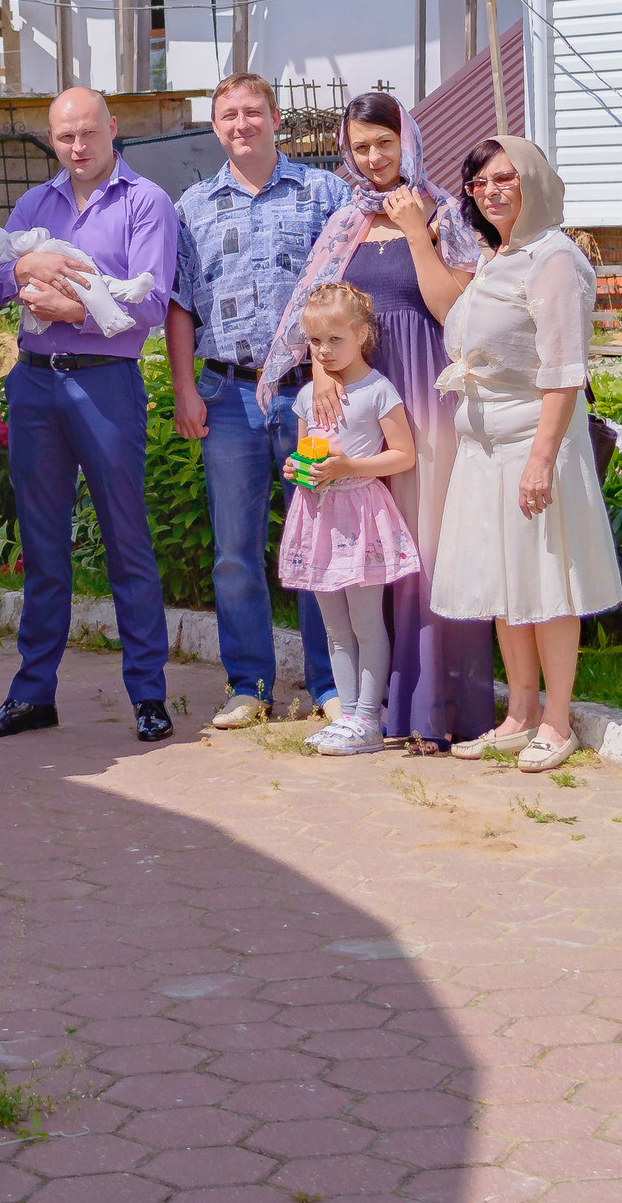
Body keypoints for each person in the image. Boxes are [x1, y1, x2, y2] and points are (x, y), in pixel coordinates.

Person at [262, 92, 490, 750]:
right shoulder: (343, 220)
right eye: (360, 147)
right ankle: (367, 707)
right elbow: (323, 312)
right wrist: (326, 375)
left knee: (421, 551)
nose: (373, 158)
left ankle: (429, 709)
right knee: (360, 554)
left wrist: (416, 229)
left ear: (407, 140)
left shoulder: (444, 212)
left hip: (421, 398)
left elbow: (453, 309)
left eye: (383, 143)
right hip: (354, 404)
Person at [0, 86, 180, 744]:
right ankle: (34, 695)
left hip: (105, 385)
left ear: (111, 127)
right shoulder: (35, 203)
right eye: (64, 137)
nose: (78, 148)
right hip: (34, 385)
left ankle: (148, 695)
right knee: (42, 545)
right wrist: (22, 266)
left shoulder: (145, 202)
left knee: (125, 541)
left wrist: (78, 314)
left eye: (88, 133)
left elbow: (152, 303)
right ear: (51, 138)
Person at [434, 136, 622, 773]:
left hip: (533, 443)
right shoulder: (500, 257)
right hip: (483, 446)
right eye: (480, 181)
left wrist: (542, 459)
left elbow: (565, 369)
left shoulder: (554, 259)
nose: (490, 191)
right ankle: (517, 715)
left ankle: (557, 720)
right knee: (502, 581)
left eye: (504, 178)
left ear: (536, 182)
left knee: (545, 585)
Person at [165, 71, 349, 727]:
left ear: (275, 119)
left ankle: (329, 684)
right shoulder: (191, 208)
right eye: (227, 116)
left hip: (309, 397)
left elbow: (346, 296)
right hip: (227, 399)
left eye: (251, 113)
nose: (239, 124)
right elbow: (179, 306)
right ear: (215, 127)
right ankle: (248, 685)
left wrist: (334, 370)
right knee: (235, 551)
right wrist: (184, 388)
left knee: (317, 540)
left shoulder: (323, 192)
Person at [274, 281, 421, 755]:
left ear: (362, 335)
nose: (324, 350)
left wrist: (349, 468)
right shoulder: (307, 398)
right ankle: (348, 714)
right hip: (318, 519)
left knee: (365, 623)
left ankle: (368, 720)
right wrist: (297, 468)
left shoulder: (378, 390)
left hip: (361, 518)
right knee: (334, 628)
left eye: (335, 339)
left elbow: (403, 455)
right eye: (315, 342)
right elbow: (303, 455)